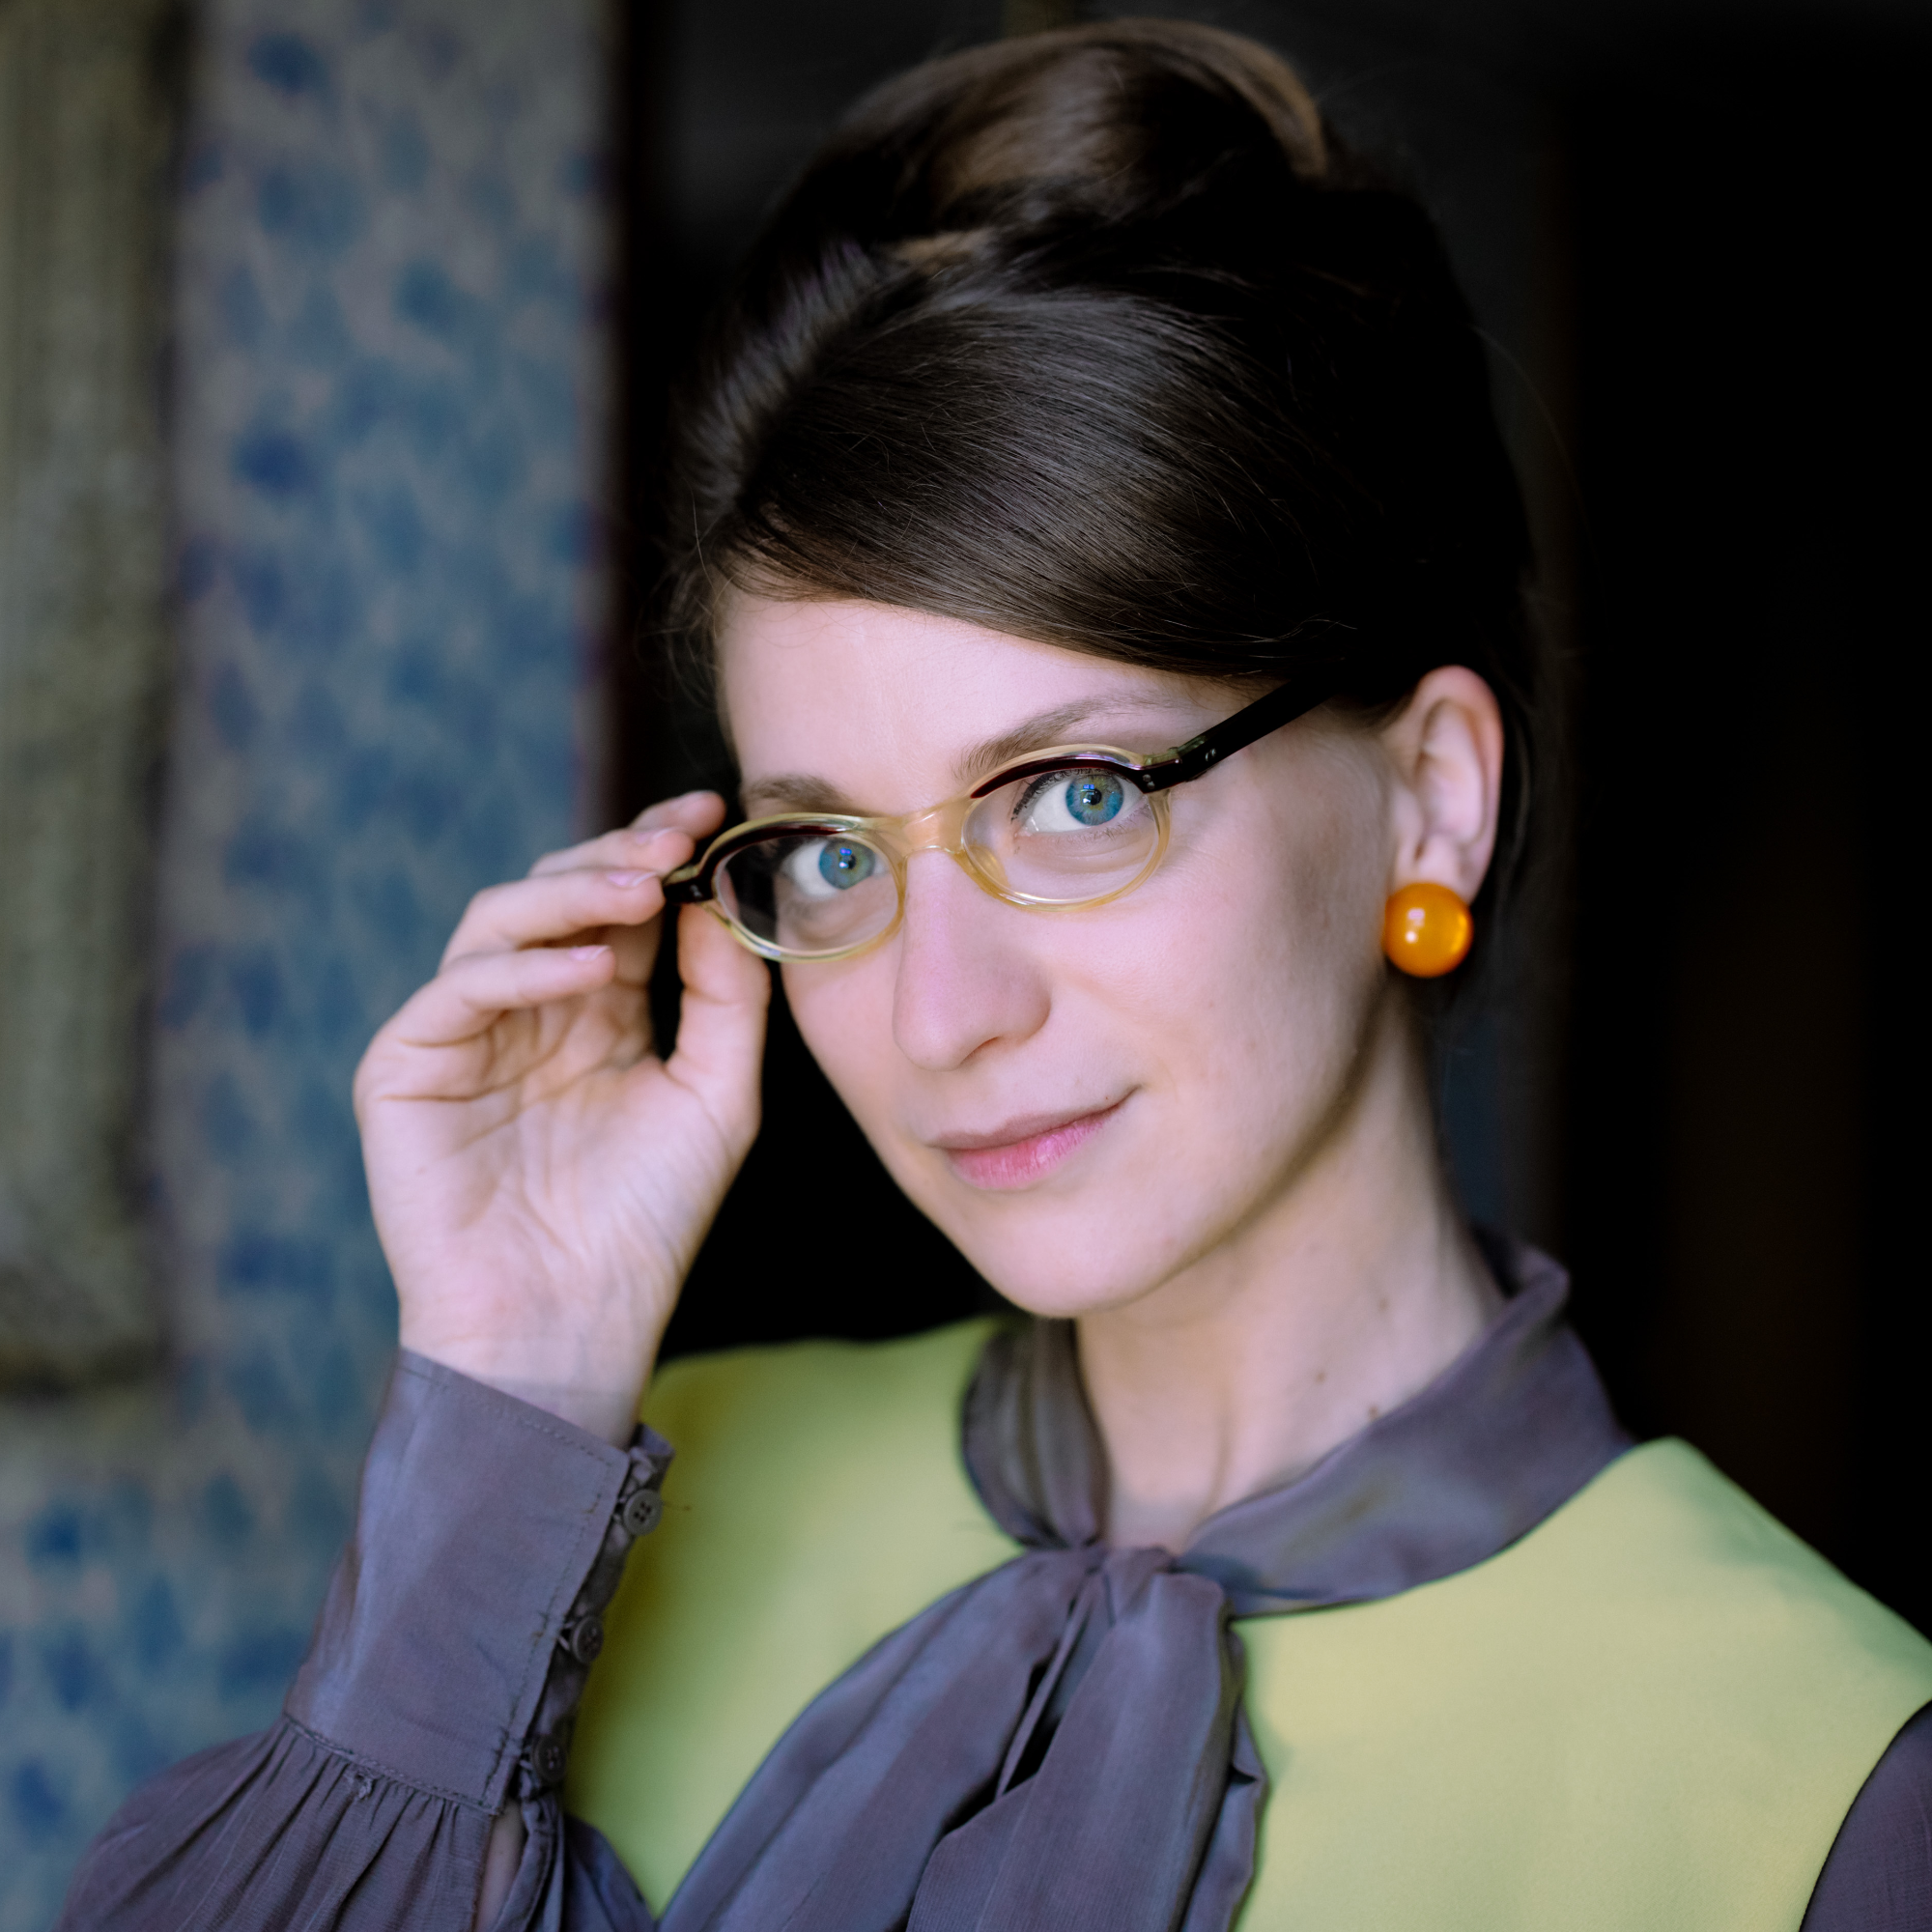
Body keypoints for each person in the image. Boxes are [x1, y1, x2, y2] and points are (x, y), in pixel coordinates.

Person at [58, 21, 1932, 1931]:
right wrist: (509, 1383)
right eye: (833, 852)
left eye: (1078, 795)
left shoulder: (1825, 1788)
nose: (941, 1016)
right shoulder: (615, 1490)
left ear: (1427, 796)